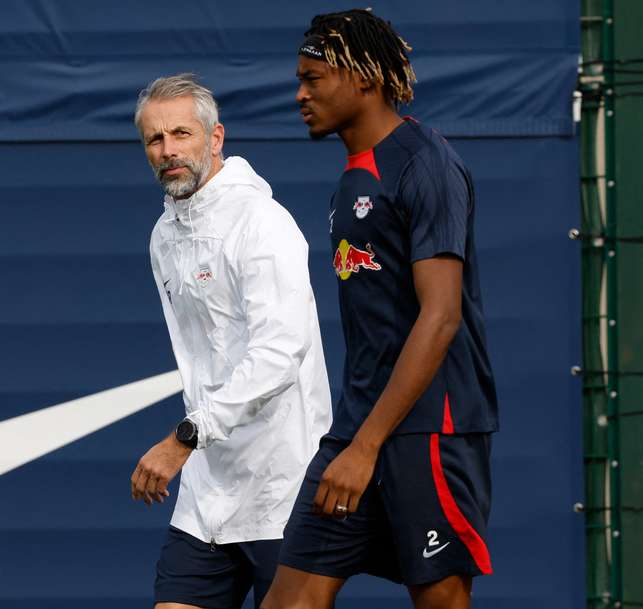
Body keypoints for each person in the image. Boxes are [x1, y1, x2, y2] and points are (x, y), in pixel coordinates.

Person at [261, 9, 499, 609]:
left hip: (430, 429)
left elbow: (440, 316)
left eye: (314, 79)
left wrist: (366, 447)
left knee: (441, 599)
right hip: (358, 429)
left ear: (364, 79)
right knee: (289, 599)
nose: (300, 94)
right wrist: (357, 441)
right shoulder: (350, 182)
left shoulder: (425, 164)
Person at [129, 74, 332, 609]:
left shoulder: (263, 222)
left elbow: (277, 356)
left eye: (181, 134)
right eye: (155, 139)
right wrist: (195, 445)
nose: (169, 150)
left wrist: (183, 440)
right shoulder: (163, 235)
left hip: (282, 490)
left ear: (215, 138)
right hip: (206, 497)